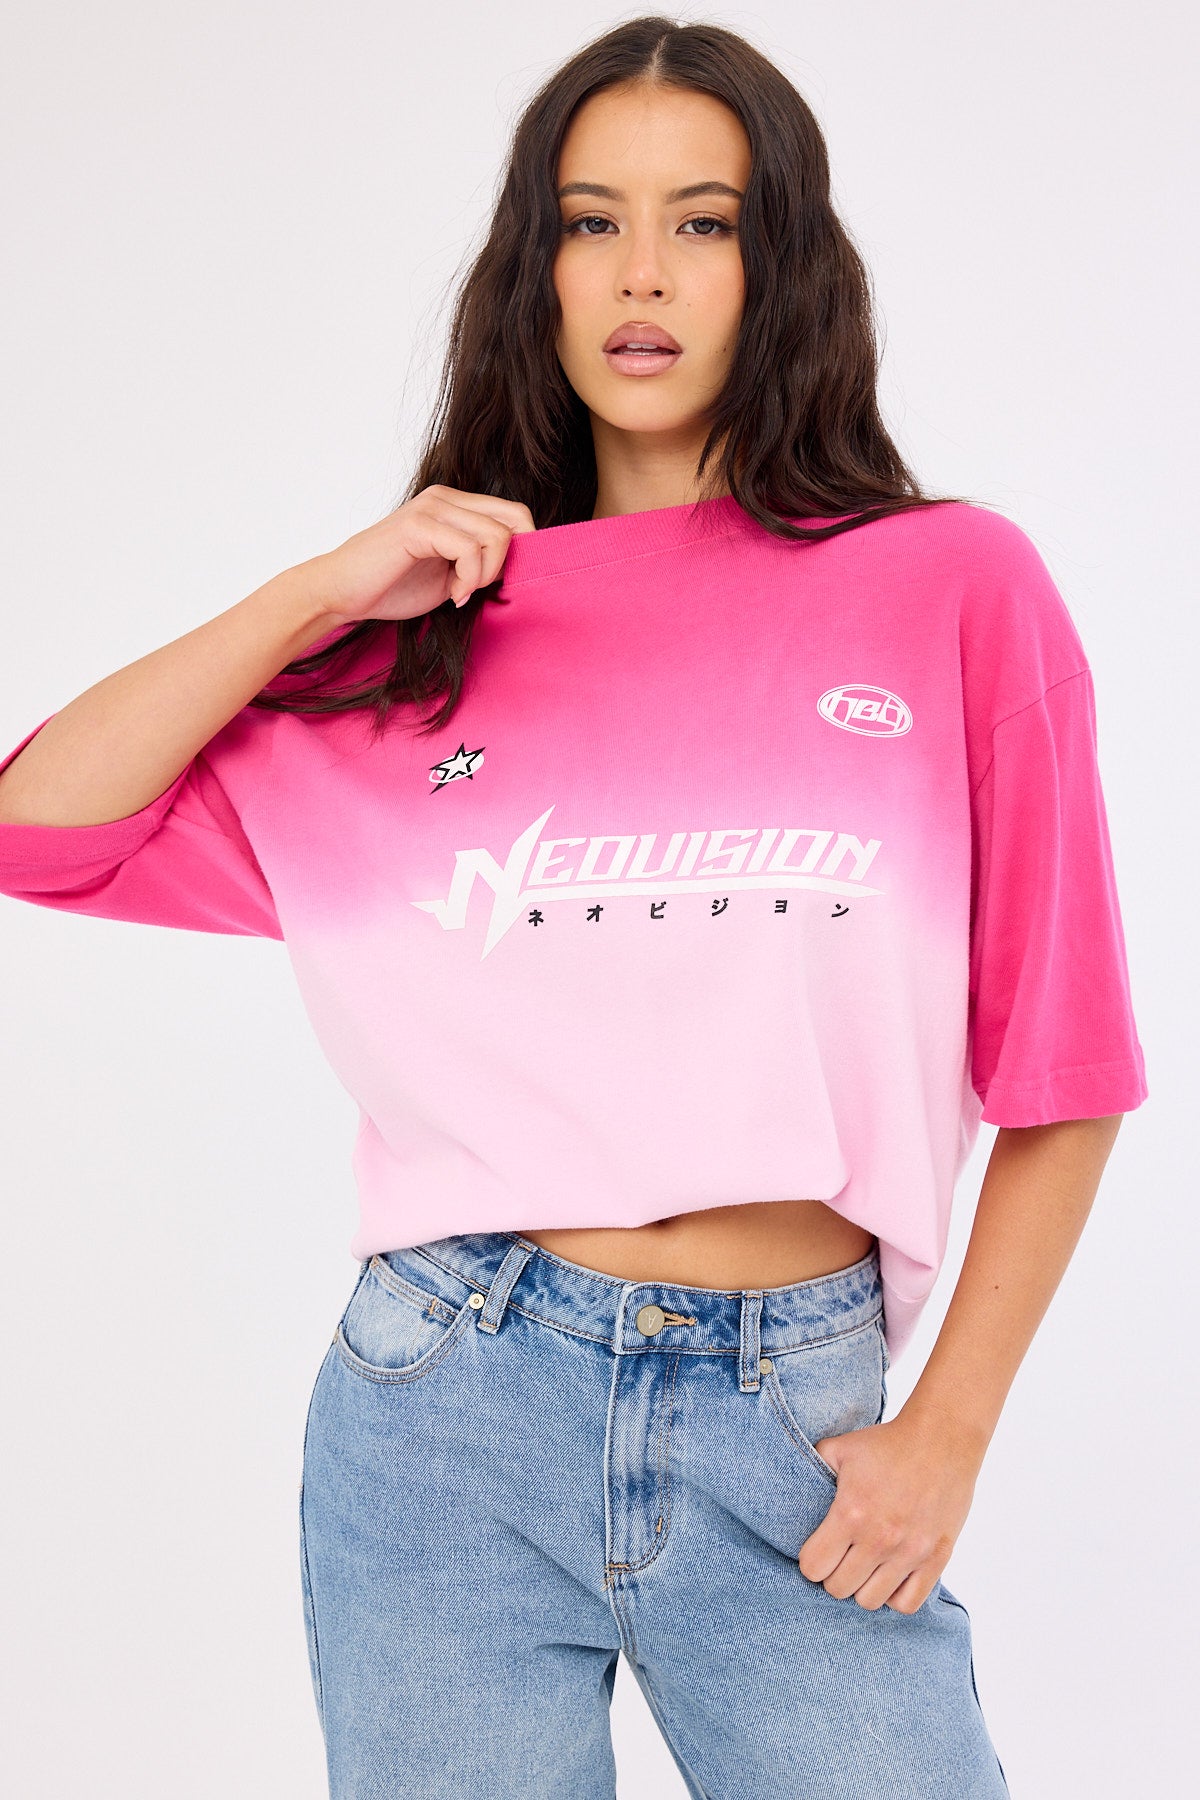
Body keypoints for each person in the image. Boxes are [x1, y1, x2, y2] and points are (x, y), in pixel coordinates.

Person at [0, 16, 1148, 1799]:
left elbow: (1066, 1066)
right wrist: (316, 593)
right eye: (590, 221)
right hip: (444, 1405)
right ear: (533, 268)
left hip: (798, 1421)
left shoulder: (948, 588)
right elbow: (38, 828)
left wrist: (949, 1432)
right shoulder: (416, 646)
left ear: (783, 265)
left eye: (705, 222)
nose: (642, 274)